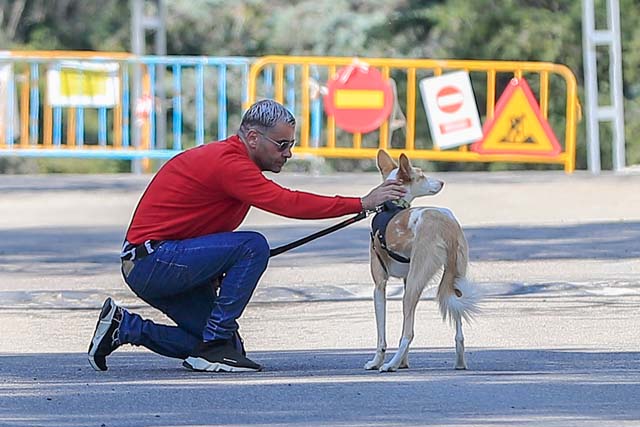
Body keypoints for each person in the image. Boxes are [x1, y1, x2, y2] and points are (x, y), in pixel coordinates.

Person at [87, 99, 406, 373]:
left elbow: (199, 227)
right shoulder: (231, 164)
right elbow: (287, 202)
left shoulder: (235, 162)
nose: (288, 154)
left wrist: (207, 270)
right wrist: (362, 203)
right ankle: (214, 343)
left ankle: (123, 328)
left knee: (231, 348)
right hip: (152, 261)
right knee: (252, 246)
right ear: (253, 137)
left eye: (291, 145)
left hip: (155, 261)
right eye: (282, 145)